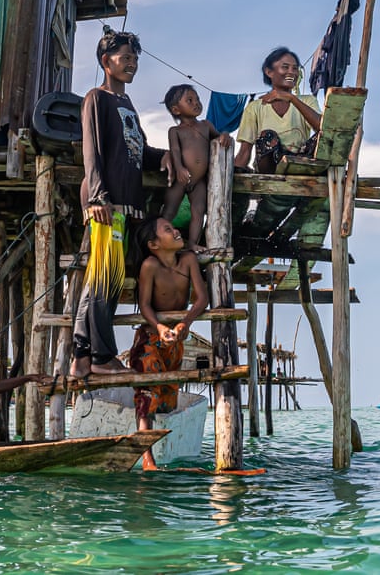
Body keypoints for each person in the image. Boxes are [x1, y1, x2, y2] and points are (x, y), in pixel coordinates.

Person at [71, 30, 173, 378]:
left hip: (125, 206)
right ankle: (101, 358)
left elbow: (139, 150)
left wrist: (164, 157)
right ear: (106, 61)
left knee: (103, 280)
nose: (132, 64)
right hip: (107, 205)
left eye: (135, 59)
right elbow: (92, 151)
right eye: (125, 58)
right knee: (105, 281)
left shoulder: (127, 105)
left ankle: (81, 357)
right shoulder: (96, 98)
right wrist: (98, 198)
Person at [128, 216, 209, 470]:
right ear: (154, 244)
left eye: (173, 228)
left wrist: (186, 323)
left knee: (165, 399)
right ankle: (147, 459)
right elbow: (144, 305)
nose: (175, 231)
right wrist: (160, 327)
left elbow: (202, 299)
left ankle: (155, 455)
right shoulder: (150, 265)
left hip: (176, 340)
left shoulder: (188, 260)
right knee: (146, 395)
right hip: (150, 339)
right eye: (167, 229)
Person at [160, 84, 234, 250]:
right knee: (169, 211)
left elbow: (218, 137)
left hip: (199, 180)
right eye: (190, 100)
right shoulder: (175, 131)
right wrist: (179, 168)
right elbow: (175, 150)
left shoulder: (206, 125)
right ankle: (160, 240)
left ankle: (193, 243)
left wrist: (225, 135)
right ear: (176, 109)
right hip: (181, 179)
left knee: (198, 212)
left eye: (197, 99)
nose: (196, 103)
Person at [233, 47, 322, 173]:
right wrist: (233, 174)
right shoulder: (255, 107)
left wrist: (292, 98)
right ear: (269, 72)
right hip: (269, 169)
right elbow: (244, 151)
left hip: (300, 163)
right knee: (267, 136)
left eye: (295, 68)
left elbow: (322, 128)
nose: (291, 72)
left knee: (325, 136)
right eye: (285, 67)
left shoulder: (307, 101)